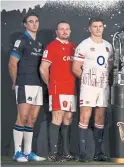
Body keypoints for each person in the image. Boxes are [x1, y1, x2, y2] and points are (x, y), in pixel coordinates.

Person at [72, 17, 113, 162]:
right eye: (94, 26)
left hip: (103, 87)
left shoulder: (108, 46)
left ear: (103, 27)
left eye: (100, 26)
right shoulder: (84, 45)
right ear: (89, 28)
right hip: (88, 87)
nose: (97, 29)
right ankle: (82, 153)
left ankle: (98, 153)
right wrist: (87, 81)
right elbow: (76, 68)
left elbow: (110, 67)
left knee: (100, 118)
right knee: (85, 117)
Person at [8, 12, 46, 162]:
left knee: (32, 119)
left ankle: (27, 152)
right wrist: (14, 81)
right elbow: (12, 63)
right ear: (25, 24)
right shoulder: (21, 40)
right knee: (22, 117)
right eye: (31, 22)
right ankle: (17, 152)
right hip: (24, 83)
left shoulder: (39, 43)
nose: (34, 24)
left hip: (37, 84)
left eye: (36, 21)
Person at [40, 21, 76, 162]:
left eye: (67, 29)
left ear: (70, 31)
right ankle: (53, 152)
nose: (65, 31)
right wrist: (50, 84)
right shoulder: (52, 46)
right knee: (57, 118)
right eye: (62, 29)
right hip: (57, 88)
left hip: (71, 88)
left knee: (68, 118)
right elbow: (43, 68)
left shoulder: (74, 47)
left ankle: (66, 152)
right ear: (57, 32)